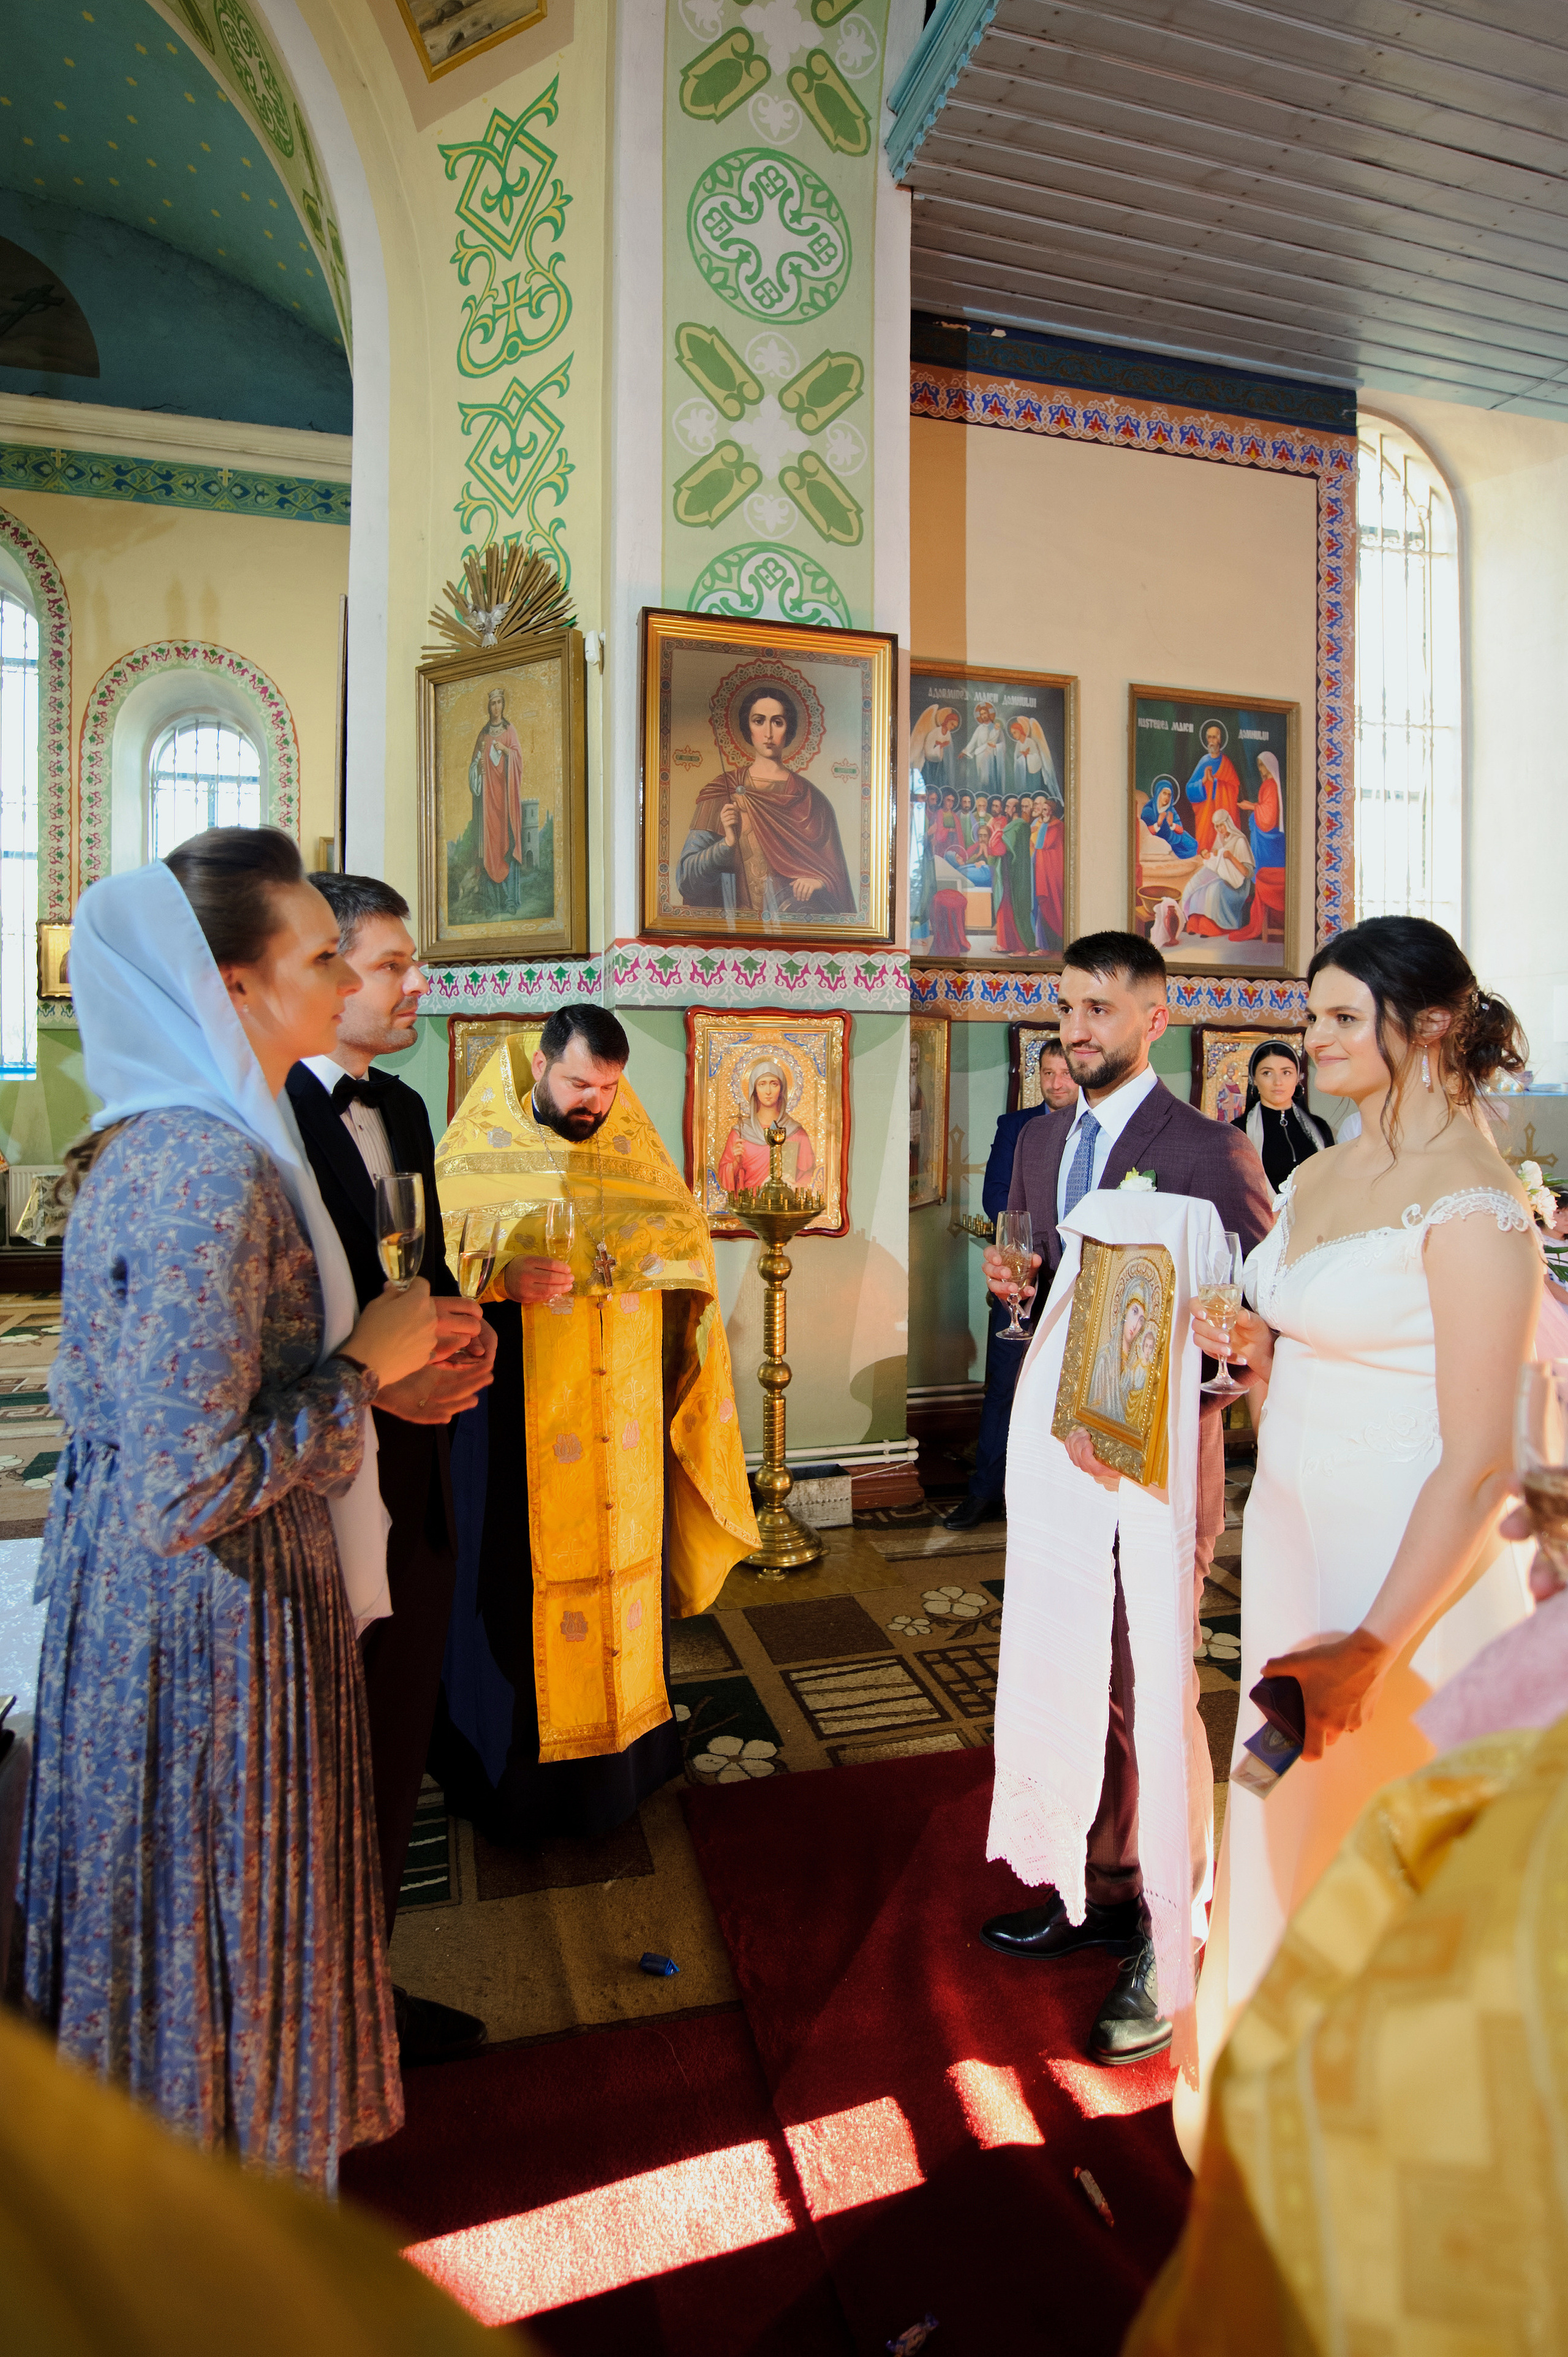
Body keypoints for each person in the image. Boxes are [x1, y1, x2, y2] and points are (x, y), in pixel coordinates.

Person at [18, 828, 441, 2187]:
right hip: (211, 1633)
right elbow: (186, 1483)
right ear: (234, 986)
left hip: (191, 1615)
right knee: (219, 1945)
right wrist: (366, 1368)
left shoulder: (187, 1140)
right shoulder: (205, 1171)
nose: (341, 984)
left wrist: (369, 1378)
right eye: (320, 956)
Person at [1179, 915, 1539, 2160]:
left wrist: (1374, 1643)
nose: (1310, 1038)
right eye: (1312, 1015)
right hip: (1292, 1538)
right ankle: (1287, 2062)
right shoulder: (1323, 1169)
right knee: (1285, 1791)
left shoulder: (1478, 1206)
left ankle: (1411, 2134)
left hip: (1412, 1569)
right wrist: (1240, 1340)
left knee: (1392, 1815)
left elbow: (1480, 1454)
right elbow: (1286, 1329)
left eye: (1340, 1018)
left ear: (1428, 1024)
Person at [978, 932, 1274, 2067]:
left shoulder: (1205, 1148)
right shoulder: (1043, 1136)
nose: (1076, 1028)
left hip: (1159, 1474)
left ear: (1158, 1016)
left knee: (1159, 1689)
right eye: (1066, 1007)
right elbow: (1043, 1282)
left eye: (1100, 1008)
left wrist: (1218, 1360)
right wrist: (1021, 1288)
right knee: (1072, 1667)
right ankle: (1093, 1882)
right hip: (1060, 1467)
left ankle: (1171, 1927)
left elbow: (1257, 1319)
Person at [432, 1005, 758, 1845]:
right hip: (521, 1425)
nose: (595, 1101)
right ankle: (518, 1782)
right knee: (516, 1589)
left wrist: (670, 1262)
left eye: (610, 1086)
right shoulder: (479, 1146)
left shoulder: (632, 1144)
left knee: (627, 1578)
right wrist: (499, 1275)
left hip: (624, 1421)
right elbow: (431, 1262)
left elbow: (682, 1240)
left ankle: (631, 1759)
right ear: (541, 1064)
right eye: (579, 1081)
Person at [286, 872, 498, 2067]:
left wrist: (463, 1318)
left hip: (412, 1469)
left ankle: (362, 1984)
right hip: (312, 1486)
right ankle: (300, 2005)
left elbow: (410, 1265)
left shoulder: (407, 1105)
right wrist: (379, 1379)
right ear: (322, 973)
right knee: (314, 1747)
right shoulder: (258, 1117)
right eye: (393, 964)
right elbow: (277, 1322)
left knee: (394, 1732)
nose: (420, 983)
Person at [944, 1037, 1079, 1532]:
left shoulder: (1096, 1131)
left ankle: (1054, 1500)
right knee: (1004, 1385)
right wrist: (1037, 1243)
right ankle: (984, 1492)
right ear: (1038, 1075)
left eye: (1065, 1073)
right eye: (1048, 1073)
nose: (1057, 1082)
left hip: (1082, 1279)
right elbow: (995, 1196)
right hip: (1021, 1277)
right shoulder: (1016, 1127)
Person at [677, 684, 856, 920]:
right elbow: (687, 880)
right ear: (747, 727)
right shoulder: (722, 791)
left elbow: (838, 879)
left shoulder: (813, 801)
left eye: (777, 722)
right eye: (759, 721)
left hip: (794, 933)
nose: (769, 733)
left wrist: (819, 882)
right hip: (736, 934)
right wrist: (726, 845)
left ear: (788, 728)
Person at [1230, 1037, 1333, 1192]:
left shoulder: (1319, 1127)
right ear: (1254, 1079)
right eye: (1267, 1073)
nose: (1278, 1082)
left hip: (1315, 1213)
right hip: (1263, 1215)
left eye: (1286, 1072)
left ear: (1298, 1078)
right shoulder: (1238, 1132)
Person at [468, 686, 530, 910]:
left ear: (504, 705)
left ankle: (511, 901)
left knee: (507, 845)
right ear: (489, 707)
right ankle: (493, 902)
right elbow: (473, 766)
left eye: (499, 703)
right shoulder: (483, 734)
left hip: (505, 801)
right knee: (490, 849)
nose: (496, 707)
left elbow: (518, 759)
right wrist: (478, 768)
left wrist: (506, 750)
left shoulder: (509, 730)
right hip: (487, 804)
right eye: (493, 703)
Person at [717, 1059, 815, 1195]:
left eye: (774, 1084)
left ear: (782, 1089)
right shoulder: (741, 1132)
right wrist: (734, 1164)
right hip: (751, 1208)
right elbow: (723, 1178)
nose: (768, 1091)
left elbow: (809, 1174)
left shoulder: (796, 1133)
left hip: (783, 1206)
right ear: (754, 1090)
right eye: (762, 1084)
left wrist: (794, 1188)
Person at [1180, 806, 1255, 936]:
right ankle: (1196, 921)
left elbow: (1248, 873)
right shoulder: (1220, 839)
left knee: (1215, 889)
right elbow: (1216, 862)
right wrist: (1210, 856)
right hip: (1222, 878)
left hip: (1238, 886)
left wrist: (1231, 857)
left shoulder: (1240, 841)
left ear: (1228, 823)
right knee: (1201, 888)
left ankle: (1222, 926)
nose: (1220, 829)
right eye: (1217, 826)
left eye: (1222, 825)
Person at [1183, 721, 1243, 853]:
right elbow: (1189, 789)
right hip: (1206, 811)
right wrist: (1204, 781)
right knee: (1207, 846)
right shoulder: (1204, 761)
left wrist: (1215, 782)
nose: (1211, 741)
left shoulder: (1226, 763)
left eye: (1214, 737)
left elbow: (1234, 789)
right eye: (1209, 737)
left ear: (1220, 739)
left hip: (1223, 809)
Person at [1141, 780, 1198, 858]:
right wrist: (1158, 824)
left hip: (1173, 837)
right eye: (1164, 793)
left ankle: (1179, 855)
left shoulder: (1170, 809)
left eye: (1169, 795)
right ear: (1158, 793)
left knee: (1194, 845)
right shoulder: (1149, 809)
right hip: (1159, 839)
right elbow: (1145, 832)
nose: (1167, 797)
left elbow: (1180, 830)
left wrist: (1172, 825)